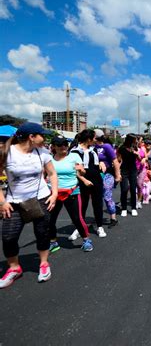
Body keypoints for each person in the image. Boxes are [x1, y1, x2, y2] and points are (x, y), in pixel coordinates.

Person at [0, 122, 58, 288]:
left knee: (42, 233)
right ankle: (14, 268)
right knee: (8, 236)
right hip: (13, 202)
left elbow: (52, 174)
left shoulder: (43, 152)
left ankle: (44, 264)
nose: (45, 138)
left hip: (41, 199)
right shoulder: (6, 153)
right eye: (42, 135)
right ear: (31, 137)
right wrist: (2, 202)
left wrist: (53, 194)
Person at [48, 136, 93, 252]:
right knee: (50, 220)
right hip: (54, 193)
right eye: (59, 144)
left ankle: (86, 240)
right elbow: (44, 175)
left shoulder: (74, 156)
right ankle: (53, 242)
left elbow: (82, 172)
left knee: (77, 218)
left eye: (65, 144)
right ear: (53, 147)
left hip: (71, 191)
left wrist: (81, 170)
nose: (63, 146)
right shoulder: (49, 159)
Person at [70, 129, 107, 238]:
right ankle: (79, 228)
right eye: (94, 138)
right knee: (82, 205)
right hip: (82, 181)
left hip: (96, 180)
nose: (96, 140)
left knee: (98, 204)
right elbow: (73, 169)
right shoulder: (74, 151)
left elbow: (94, 163)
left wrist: (101, 163)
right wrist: (84, 180)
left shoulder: (93, 149)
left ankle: (100, 226)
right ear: (88, 139)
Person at [94, 129, 120, 227]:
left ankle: (113, 218)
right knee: (97, 198)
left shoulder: (106, 146)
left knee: (107, 196)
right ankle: (98, 218)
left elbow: (115, 161)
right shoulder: (92, 147)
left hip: (107, 175)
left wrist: (118, 176)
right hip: (96, 175)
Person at [117, 134, 140, 217]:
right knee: (124, 189)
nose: (136, 141)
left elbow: (139, 159)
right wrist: (118, 172)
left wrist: (137, 154)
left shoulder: (135, 148)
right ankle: (124, 208)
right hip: (124, 170)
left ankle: (133, 208)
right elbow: (118, 160)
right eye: (135, 139)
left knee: (133, 189)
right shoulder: (122, 148)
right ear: (130, 140)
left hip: (133, 170)